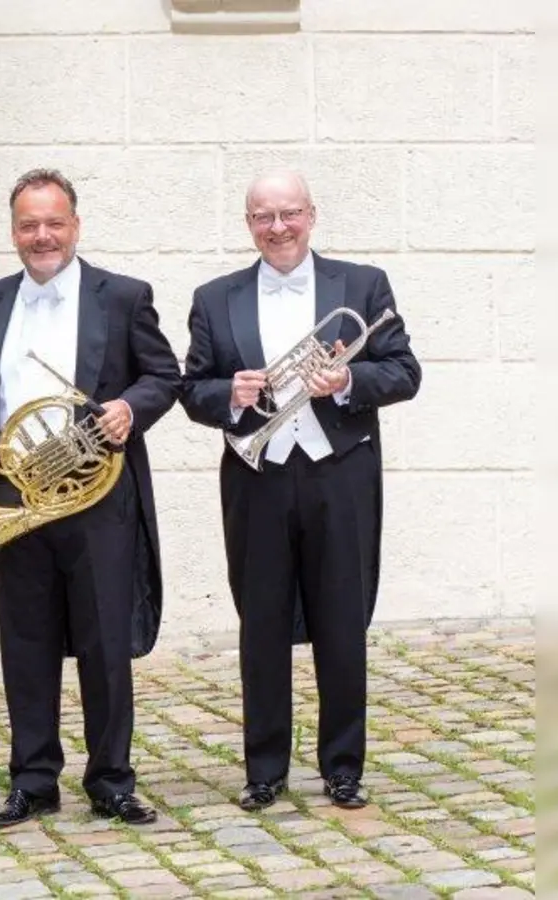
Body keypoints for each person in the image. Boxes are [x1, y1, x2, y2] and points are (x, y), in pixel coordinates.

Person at [180, 169, 421, 812]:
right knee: (259, 625)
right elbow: (191, 389)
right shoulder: (214, 297)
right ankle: (265, 769)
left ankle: (343, 767)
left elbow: (403, 372)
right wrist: (227, 395)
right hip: (256, 473)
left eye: (289, 213)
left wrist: (345, 382)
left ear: (311, 214)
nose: (278, 226)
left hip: (338, 471)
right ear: (248, 223)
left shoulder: (362, 284)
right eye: (264, 216)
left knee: (342, 621)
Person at [0, 169, 182, 829]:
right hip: (17, 497)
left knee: (104, 643)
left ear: (75, 226)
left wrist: (127, 408)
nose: (42, 235)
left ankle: (111, 780)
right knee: (24, 641)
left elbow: (164, 375)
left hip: (97, 499)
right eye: (29, 224)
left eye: (54, 222)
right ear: (13, 232)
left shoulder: (123, 296)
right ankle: (33, 780)